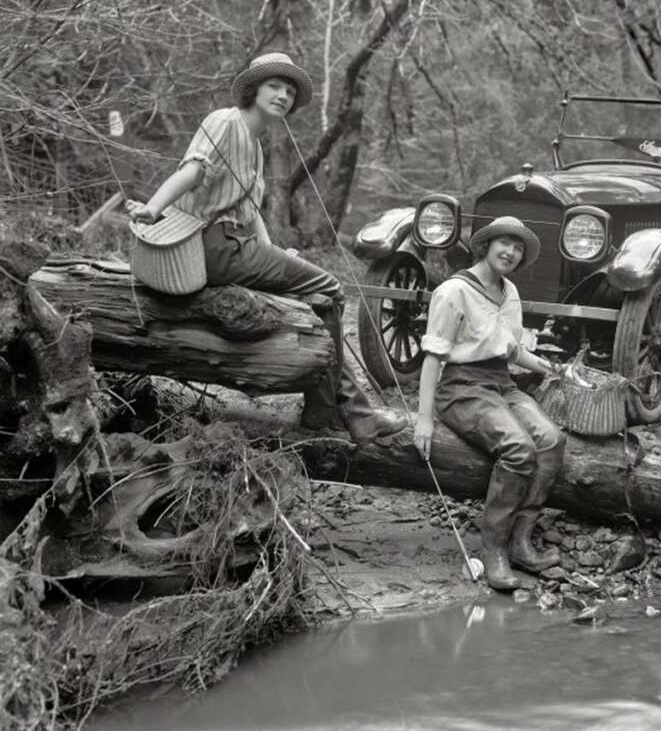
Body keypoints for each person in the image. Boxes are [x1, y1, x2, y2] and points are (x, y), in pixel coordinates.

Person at [126, 52, 406, 446]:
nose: (283, 95)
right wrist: (152, 208)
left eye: (289, 91)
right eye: (275, 86)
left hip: (235, 245)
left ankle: (334, 413)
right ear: (254, 89)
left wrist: (276, 254)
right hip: (212, 246)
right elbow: (191, 170)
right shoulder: (225, 121)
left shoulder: (255, 146)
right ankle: (346, 414)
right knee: (331, 287)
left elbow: (250, 212)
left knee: (320, 300)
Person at [413, 217, 565, 591]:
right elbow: (433, 358)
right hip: (462, 387)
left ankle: (521, 541)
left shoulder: (509, 290)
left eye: (518, 248)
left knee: (551, 438)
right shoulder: (453, 291)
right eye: (505, 243)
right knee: (518, 448)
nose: (511, 253)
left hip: (501, 382)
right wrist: (424, 419)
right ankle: (494, 548)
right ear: (486, 245)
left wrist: (553, 368)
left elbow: (512, 349)